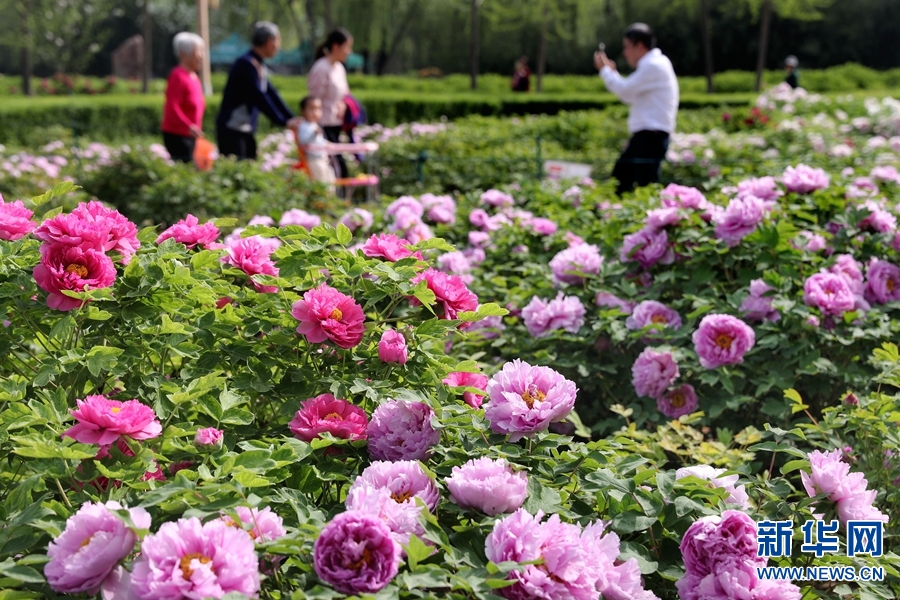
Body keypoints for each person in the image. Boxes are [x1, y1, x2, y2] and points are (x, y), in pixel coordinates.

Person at [594, 23, 679, 195]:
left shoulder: (653, 65)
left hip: (650, 137)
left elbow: (625, 91)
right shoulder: (655, 64)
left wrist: (604, 71)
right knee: (628, 184)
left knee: (633, 186)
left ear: (639, 46)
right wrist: (611, 73)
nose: (625, 53)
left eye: (627, 47)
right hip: (649, 136)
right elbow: (629, 93)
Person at [216, 22, 301, 160]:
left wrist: (290, 118)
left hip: (244, 129)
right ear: (270, 41)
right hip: (233, 129)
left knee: (249, 166)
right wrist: (283, 121)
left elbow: (271, 93)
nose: (278, 47)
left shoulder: (257, 64)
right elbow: (259, 97)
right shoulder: (246, 64)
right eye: (278, 41)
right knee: (238, 172)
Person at [307, 28, 353, 179]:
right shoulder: (321, 68)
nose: (348, 51)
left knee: (338, 165)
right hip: (323, 125)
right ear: (335, 46)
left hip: (336, 123)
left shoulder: (339, 68)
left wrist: (344, 104)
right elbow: (314, 99)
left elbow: (345, 94)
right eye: (346, 47)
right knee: (336, 167)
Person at [161, 32, 206, 163]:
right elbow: (172, 106)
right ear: (184, 55)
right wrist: (188, 126)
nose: (202, 56)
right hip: (178, 134)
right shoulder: (178, 76)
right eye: (198, 51)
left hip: (191, 135)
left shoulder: (194, 77)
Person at [296, 96, 336, 186]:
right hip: (314, 160)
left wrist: (327, 144)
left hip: (323, 159)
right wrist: (313, 134)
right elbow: (303, 141)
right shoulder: (304, 126)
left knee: (331, 181)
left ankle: (330, 199)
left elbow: (318, 141)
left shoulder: (313, 125)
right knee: (322, 184)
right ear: (303, 111)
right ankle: (322, 200)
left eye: (318, 109)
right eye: (311, 109)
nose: (315, 112)